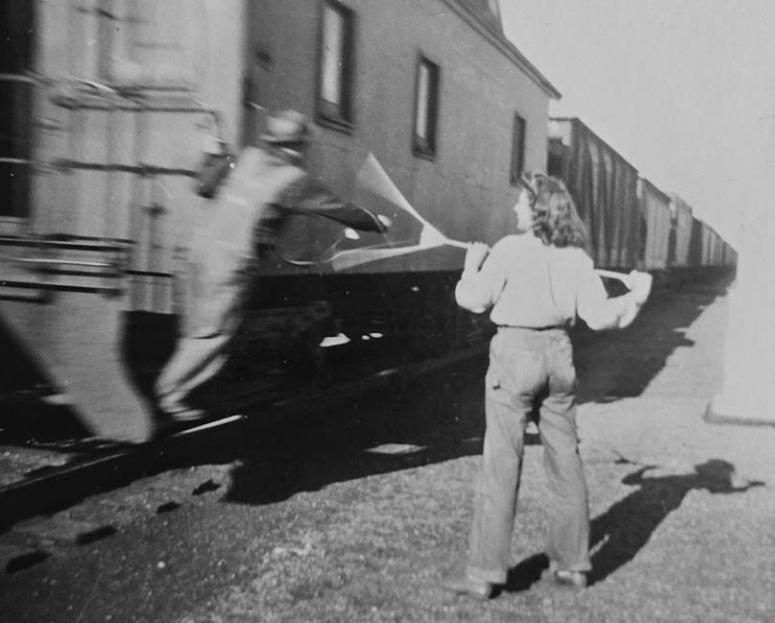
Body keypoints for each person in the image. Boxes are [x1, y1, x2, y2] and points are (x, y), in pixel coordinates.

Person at [443, 172, 652, 599]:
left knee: (501, 463)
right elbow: (599, 317)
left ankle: (485, 574)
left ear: (537, 210)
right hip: (559, 358)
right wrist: (636, 297)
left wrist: (470, 268)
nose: (514, 208)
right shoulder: (576, 257)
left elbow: (476, 300)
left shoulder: (506, 249)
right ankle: (573, 566)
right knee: (566, 463)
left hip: (514, 355)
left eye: (521, 202)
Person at [154, 110, 388, 428]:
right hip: (228, 265)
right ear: (296, 147)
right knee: (213, 335)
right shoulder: (292, 180)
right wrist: (376, 221)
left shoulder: (247, 159)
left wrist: (213, 148)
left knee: (196, 330)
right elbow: (337, 209)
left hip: (194, 254)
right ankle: (170, 393)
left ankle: (196, 392)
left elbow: (205, 187)